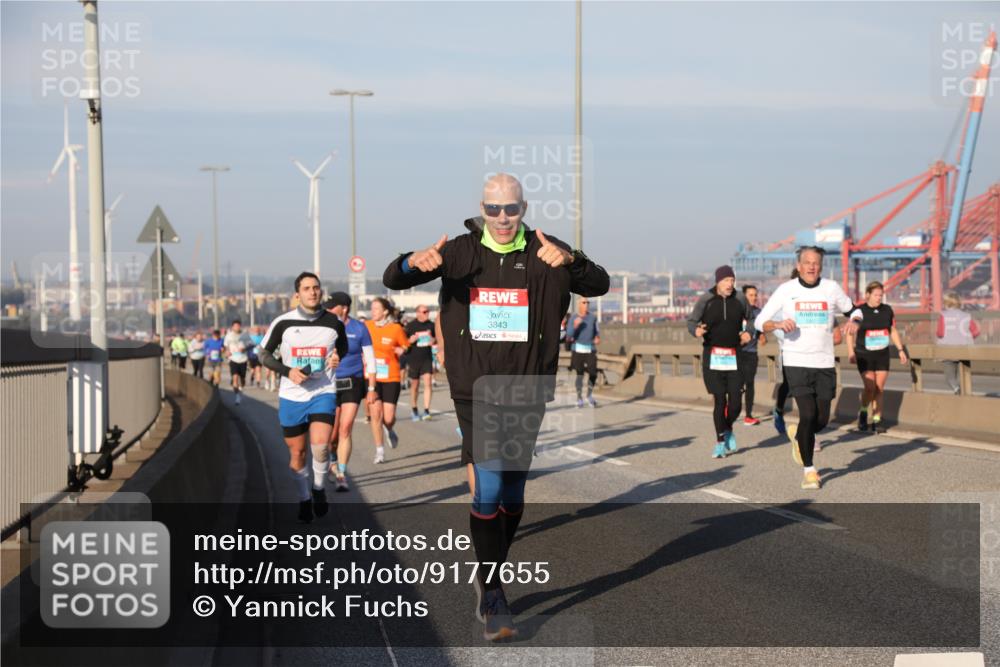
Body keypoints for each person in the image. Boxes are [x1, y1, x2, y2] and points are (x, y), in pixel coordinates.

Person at [383, 173, 609, 641]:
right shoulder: (460, 252)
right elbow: (393, 277)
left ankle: (488, 574)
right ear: (481, 209)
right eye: (493, 209)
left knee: (511, 492)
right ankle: (493, 593)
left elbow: (599, 284)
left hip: (528, 384)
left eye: (511, 209)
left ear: (523, 208)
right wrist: (411, 261)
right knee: (487, 485)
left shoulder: (546, 247)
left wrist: (572, 260)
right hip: (476, 385)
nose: (502, 218)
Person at [755, 247, 859, 490]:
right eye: (807, 263)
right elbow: (760, 321)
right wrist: (778, 323)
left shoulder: (831, 288)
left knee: (822, 419)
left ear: (820, 266)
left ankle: (798, 435)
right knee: (808, 414)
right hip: (796, 360)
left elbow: (854, 309)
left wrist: (854, 321)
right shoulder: (787, 290)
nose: (812, 267)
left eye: (816, 263)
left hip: (823, 362)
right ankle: (809, 471)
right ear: (799, 266)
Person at [259, 272, 347, 523]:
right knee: (297, 453)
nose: (313, 292)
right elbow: (263, 355)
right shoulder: (283, 322)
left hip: (323, 391)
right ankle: (303, 498)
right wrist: (288, 371)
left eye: (316, 287)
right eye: (307, 288)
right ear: (297, 294)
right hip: (292, 395)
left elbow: (342, 349)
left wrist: (335, 358)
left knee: (320, 446)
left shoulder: (334, 323)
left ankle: (318, 489)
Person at [688, 266, 751, 458]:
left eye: (732, 280)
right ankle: (720, 441)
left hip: (734, 355)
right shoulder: (706, 300)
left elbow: (752, 319)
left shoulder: (740, 298)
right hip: (713, 356)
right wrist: (696, 331)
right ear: (718, 282)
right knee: (719, 400)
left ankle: (728, 427)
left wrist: (749, 332)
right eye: (726, 281)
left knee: (735, 405)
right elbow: (692, 321)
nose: (730, 284)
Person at [324, 292, 376, 492]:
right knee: (332, 434)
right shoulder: (325, 327)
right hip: (329, 383)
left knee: (346, 428)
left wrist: (371, 388)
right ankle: (333, 459)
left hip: (353, 382)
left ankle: (341, 474)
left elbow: (370, 359)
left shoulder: (359, 328)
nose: (328, 309)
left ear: (344, 308)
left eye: (332, 306)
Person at [846, 281, 908, 432]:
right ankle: (863, 411)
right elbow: (849, 332)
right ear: (867, 295)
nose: (879, 298)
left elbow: (892, 330)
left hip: (882, 354)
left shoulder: (887, 310)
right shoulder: (859, 311)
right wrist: (850, 351)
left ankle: (877, 419)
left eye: (881, 295)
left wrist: (900, 350)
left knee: (879, 388)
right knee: (869, 388)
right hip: (864, 355)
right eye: (876, 295)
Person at [365, 297, 410, 463]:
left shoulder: (395, 328)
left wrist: (402, 349)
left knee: (388, 418)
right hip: (371, 377)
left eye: (376, 308)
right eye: (372, 308)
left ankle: (389, 429)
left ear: (385, 311)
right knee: (376, 414)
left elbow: (406, 346)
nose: (373, 311)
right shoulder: (366, 326)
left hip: (391, 376)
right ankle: (379, 451)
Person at [936, 291, 981, 394]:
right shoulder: (967, 316)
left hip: (947, 350)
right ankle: (967, 392)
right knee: (965, 375)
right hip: (965, 349)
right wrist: (967, 337)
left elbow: (940, 333)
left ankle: (957, 389)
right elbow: (976, 332)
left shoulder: (943, 315)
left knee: (950, 377)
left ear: (946, 303)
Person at [405, 304, 437, 421]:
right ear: (417, 313)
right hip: (413, 359)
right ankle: (414, 408)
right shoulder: (410, 326)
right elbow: (403, 342)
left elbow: (436, 338)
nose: (426, 314)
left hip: (427, 358)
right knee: (415, 385)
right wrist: (410, 340)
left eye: (427, 311)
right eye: (424, 312)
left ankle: (427, 410)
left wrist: (433, 340)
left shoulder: (431, 325)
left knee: (428, 382)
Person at [568, 297, 600, 407]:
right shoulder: (573, 318)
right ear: (579, 304)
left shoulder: (592, 318)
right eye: (584, 302)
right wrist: (575, 326)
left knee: (593, 373)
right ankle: (579, 397)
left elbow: (596, 332)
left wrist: (597, 337)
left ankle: (589, 395)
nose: (586, 304)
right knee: (580, 373)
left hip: (590, 348)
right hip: (577, 349)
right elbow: (568, 336)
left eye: (588, 302)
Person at [739, 285, 763, 425]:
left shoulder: (759, 313)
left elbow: (761, 330)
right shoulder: (737, 312)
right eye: (751, 295)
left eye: (755, 295)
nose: (754, 298)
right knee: (737, 385)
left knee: (750, 383)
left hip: (752, 353)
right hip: (737, 352)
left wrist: (762, 336)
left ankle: (748, 415)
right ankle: (728, 408)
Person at [224, 319, 253, 405]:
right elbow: (226, 346)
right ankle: (237, 397)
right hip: (233, 359)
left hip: (243, 359)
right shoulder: (229, 335)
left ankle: (241, 388)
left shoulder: (244, 335)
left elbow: (251, 344)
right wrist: (227, 351)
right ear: (232, 327)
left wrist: (244, 348)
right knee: (235, 377)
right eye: (235, 326)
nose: (237, 327)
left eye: (238, 326)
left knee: (242, 379)